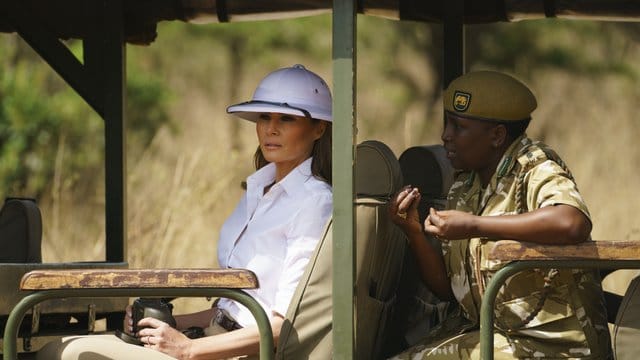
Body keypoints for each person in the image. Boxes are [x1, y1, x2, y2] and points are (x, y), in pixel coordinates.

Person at [36, 64, 333, 359]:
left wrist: (188, 349)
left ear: (319, 128)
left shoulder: (314, 202)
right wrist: (170, 325)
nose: (271, 128)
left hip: (247, 352)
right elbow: (231, 311)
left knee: (70, 353)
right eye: (264, 117)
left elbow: (288, 324)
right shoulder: (258, 190)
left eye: (287, 119)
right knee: (60, 347)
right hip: (217, 337)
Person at [388, 71, 611, 359]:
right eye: (448, 124)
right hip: (493, 335)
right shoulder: (465, 186)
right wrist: (414, 232)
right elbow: (448, 289)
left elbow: (571, 222)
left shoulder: (534, 166)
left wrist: (475, 225)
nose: (446, 136)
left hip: (552, 346)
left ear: (496, 136)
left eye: (459, 127)